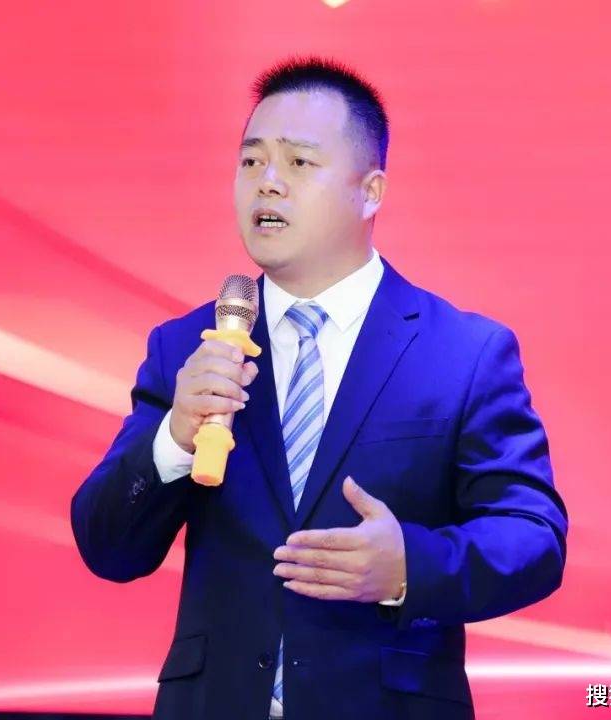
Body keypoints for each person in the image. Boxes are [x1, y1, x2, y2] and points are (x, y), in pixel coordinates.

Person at [70, 56, 568, 720]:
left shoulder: (464, 353)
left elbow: (533, 539)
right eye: (251, 161)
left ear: (371, 191)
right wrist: (174, 439)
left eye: (299, 163)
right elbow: (107, 545)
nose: (267, 182)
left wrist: (409, 567)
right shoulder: (188, 347)